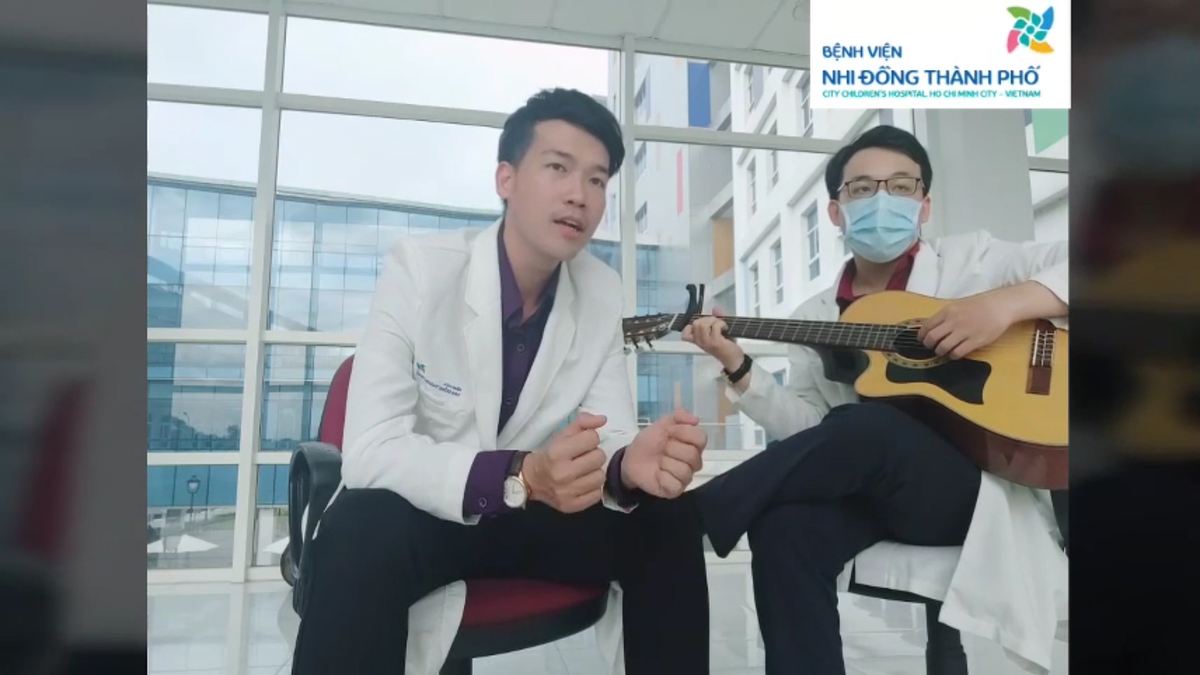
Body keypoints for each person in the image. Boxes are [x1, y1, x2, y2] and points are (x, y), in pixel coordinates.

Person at [291, 88, 710, 675]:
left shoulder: (601, 290)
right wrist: (521, 474)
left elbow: (609, 430)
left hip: (529, 515)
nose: (579, 194)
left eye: (597, 180)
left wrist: (627, 465)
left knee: (669, 516)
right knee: (358, 528)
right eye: (558, 168)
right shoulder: (420, 270)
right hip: (426, 514)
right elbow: (371, 452)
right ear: (506, 178)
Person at [684, 125, 1069, 675]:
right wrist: (737, 365)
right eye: (863, 189)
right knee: (785, 528)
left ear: (924, 205)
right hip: (873, 491)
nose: (883, 199)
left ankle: (689, 518)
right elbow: (814, 435)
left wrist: (1003, 306)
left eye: (901, 186)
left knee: (870, 424)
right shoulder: (817, 317)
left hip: (970, 494)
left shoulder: (975, 261)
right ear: (836, 211)